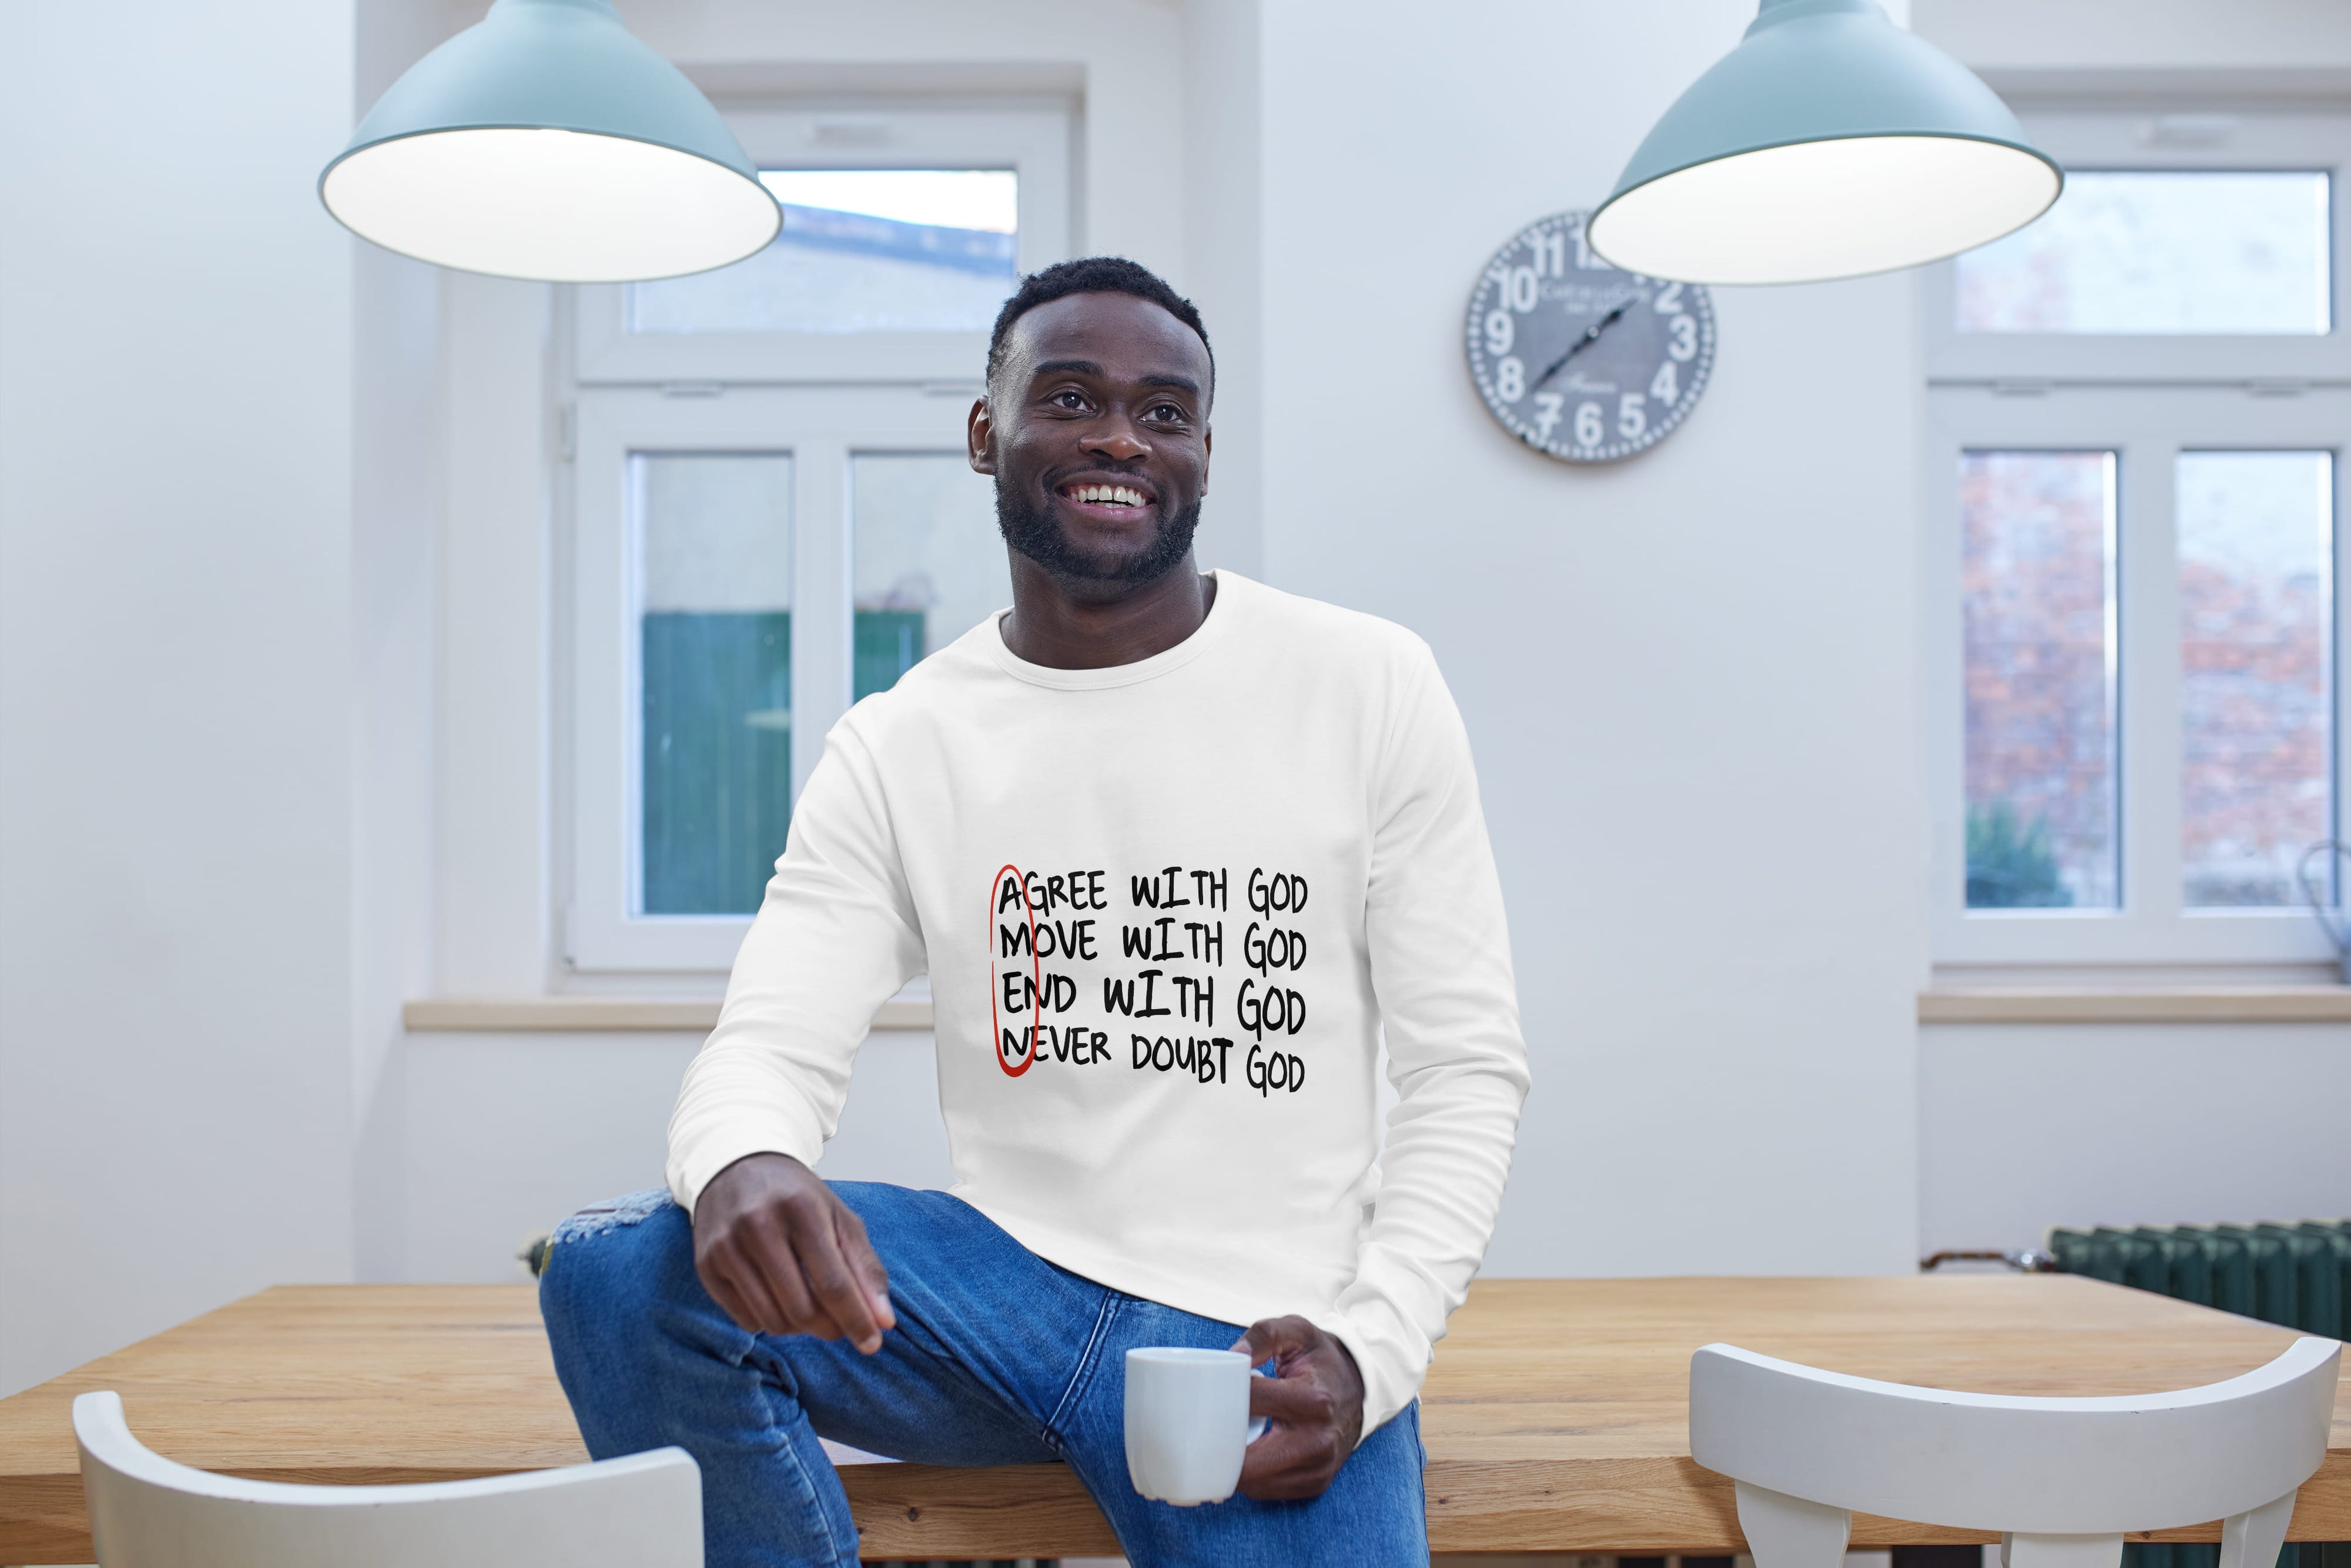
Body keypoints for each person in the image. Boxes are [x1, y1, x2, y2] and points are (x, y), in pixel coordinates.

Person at [539, 256, 1530, 1568]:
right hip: (994, 1298)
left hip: (1257, 1335)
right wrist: (743, 1157)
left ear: (1205, 456)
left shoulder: (1366, 683)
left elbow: (1466, 1068)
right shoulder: (903, 742)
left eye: (1164, 412)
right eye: (1071, 398)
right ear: (985, 432)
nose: (1121, 435)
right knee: (621, 1272)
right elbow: (772, 1040)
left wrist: (1373, 1351)